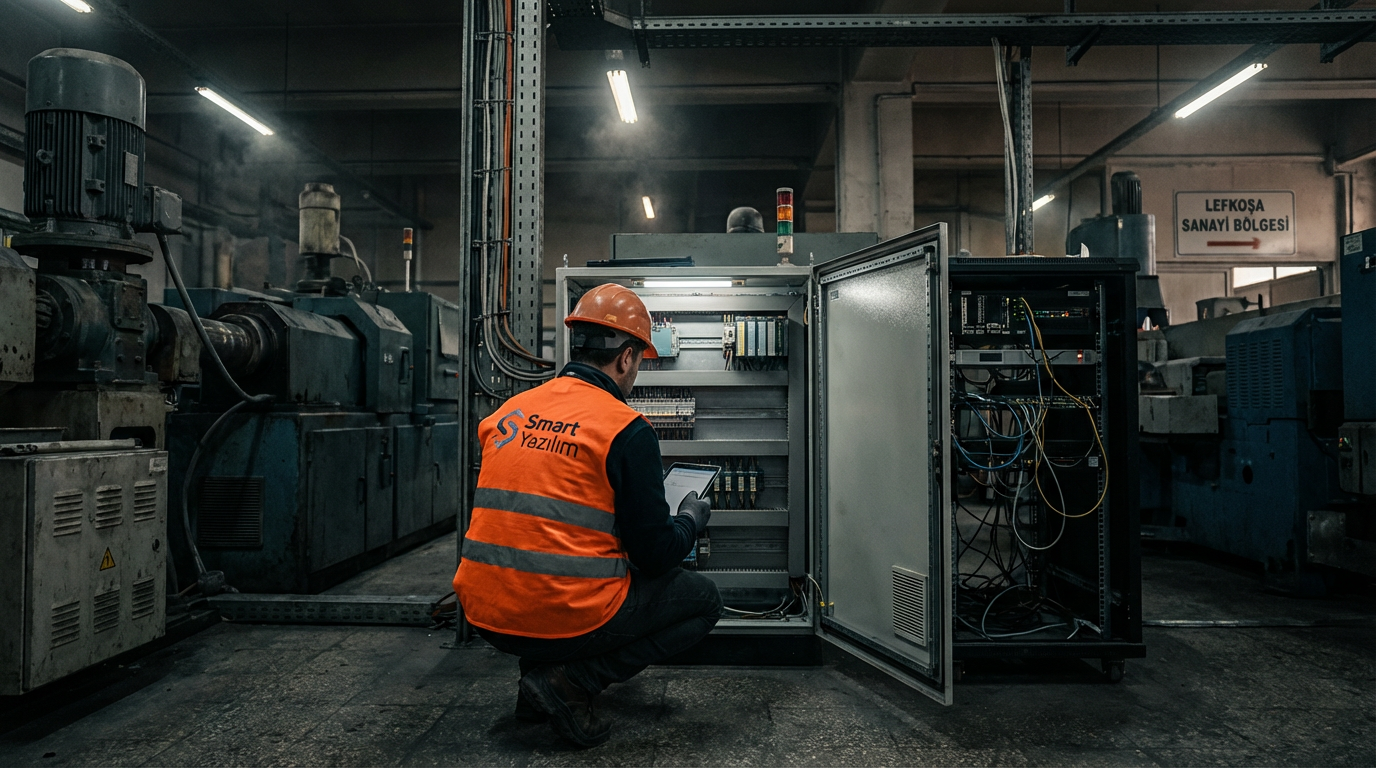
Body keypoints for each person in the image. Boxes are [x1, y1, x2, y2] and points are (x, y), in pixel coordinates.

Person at [453, 283, 721, 748]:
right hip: (559, 615)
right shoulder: (626, 429)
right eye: (639, 361)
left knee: (550, 568)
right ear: (626, 358)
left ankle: (534, 690)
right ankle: (570, 680)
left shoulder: (511, 411)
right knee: (703, 600)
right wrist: (690, 520)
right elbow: (656, 556)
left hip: (484, 612)